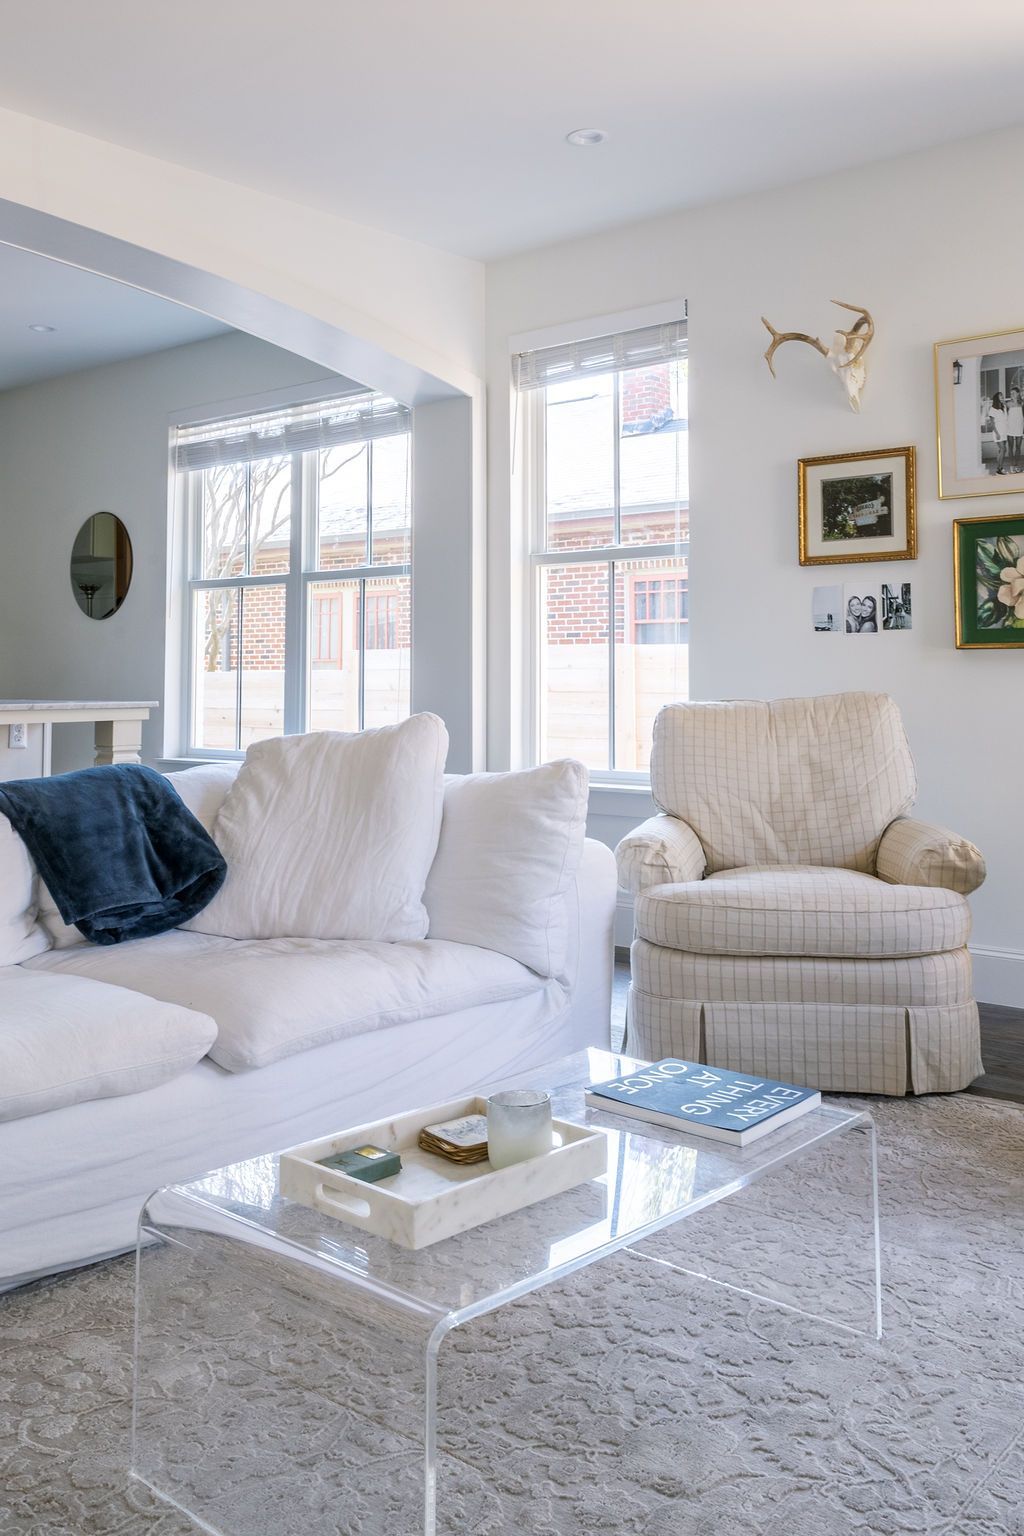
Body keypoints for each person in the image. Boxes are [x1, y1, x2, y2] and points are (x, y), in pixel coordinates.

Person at [984, 391, 1010, 474]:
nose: (1002, 397)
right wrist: (997, 433)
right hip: (997, 432)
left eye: (1002, 396)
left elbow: (1005, 420)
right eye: (1000, 396)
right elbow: (992, 423)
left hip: (1004, 431)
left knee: (1001, 450)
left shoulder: (1004, 407)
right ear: (996, 398)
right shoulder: (992, 409)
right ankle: (1000, 469)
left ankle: (999, 468)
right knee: (1003, 449)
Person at [1008, 388, 1024, 471]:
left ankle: (1017, 465)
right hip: (1010, 428)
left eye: (1013, 393)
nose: (1012, 394)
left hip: (1019, 427)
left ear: (1018, 393)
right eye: (1011, 393)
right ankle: (1011, 466)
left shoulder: (1022, 404)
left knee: (1018, 447)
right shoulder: (1008, 404)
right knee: (1010, 447)